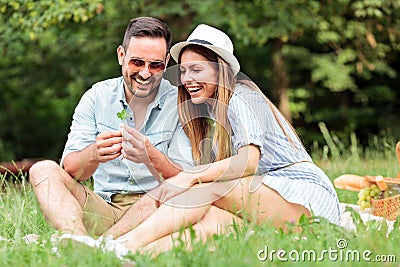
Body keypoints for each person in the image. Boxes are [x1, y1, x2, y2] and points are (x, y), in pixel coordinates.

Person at [105, 24, 341, 254]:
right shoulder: (214, 120)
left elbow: (249, 161)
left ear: (220, 70)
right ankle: (123, 252)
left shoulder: (242, 96)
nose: (187, 79)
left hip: (305, 199)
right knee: (210, 222)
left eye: (197, 70)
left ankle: (126, 245)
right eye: (184, 71)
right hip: (271, 206)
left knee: (205, 188)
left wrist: (191, 176)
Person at [28, 17, 193, 251]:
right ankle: (79, 240)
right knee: (42, 170)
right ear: (121, 55)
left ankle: (97, 245)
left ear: (166, 63)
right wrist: (94, 153)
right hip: (105, 207)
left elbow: (190, 179)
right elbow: (72, 170)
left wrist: (152, 156)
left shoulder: (181, 102)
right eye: (137, 62)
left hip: (157, 211)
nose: (145, 73)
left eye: (155, 65)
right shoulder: (96, 97)